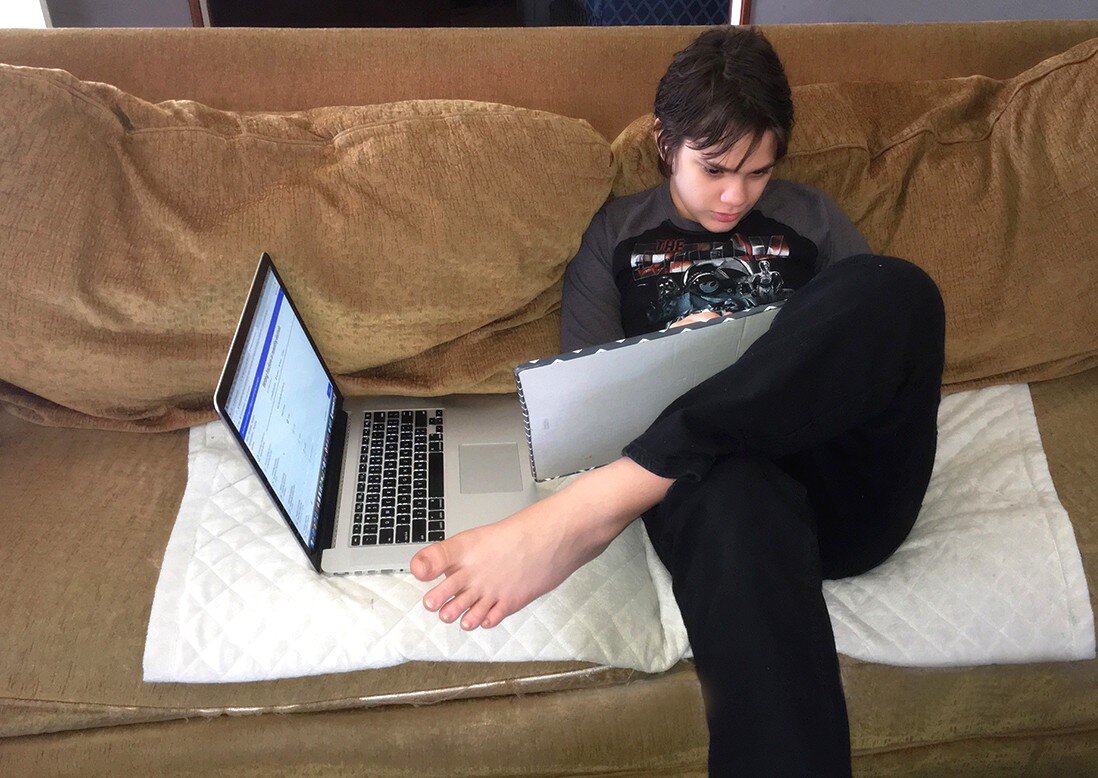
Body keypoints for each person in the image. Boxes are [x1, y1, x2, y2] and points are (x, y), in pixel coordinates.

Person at [411, 26, 945, 776]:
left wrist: (757, 351)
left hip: (844, 489)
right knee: (729, 481)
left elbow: (864, 356)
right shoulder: (617, 237)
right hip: (718, 495)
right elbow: (588, 409)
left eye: (758, 173)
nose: (736, 195)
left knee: (900, 290)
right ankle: (624, 487)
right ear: (666, 142)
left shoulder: (813, 219)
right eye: (716, 169)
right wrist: (673, 358)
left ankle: (588, 514)